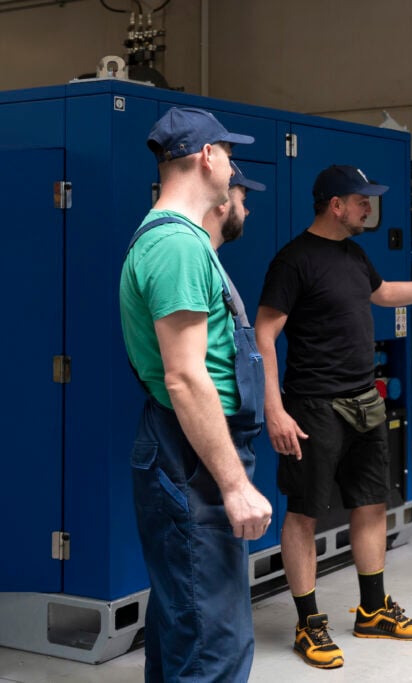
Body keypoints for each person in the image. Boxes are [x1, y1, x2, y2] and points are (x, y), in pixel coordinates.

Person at [254, 164, 412, 669]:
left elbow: (384, 294)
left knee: (371, 504)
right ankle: (309, 623)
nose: (369, 208)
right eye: (362, 200)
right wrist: (273, 408)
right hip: (313, 406)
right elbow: (264, 334)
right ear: (336, 205)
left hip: (365, 400)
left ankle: (373, 609)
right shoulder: (293, 261)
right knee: (303, 513)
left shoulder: (353, 254)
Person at [119, 107, 274, 683]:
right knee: (213, 641)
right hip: (192, 460)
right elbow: (185, 377)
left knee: (187, 619)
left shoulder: (176, 241)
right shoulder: (178, 248)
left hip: (188, 450)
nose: (232, 165)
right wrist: (234, 486)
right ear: (208, 156)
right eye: (229, 154)